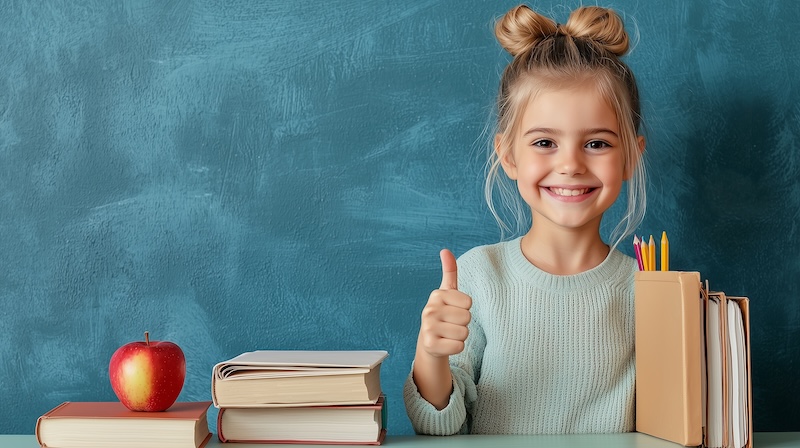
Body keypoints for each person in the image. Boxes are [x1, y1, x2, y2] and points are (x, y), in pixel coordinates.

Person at [404, 4, 647, 435]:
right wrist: (432, 354)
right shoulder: (479, 275)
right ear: (509, 155)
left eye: (596, 143)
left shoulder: (647, 291)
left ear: (631, 155)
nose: (570, 164)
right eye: (544, 142)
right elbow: (440, 423)